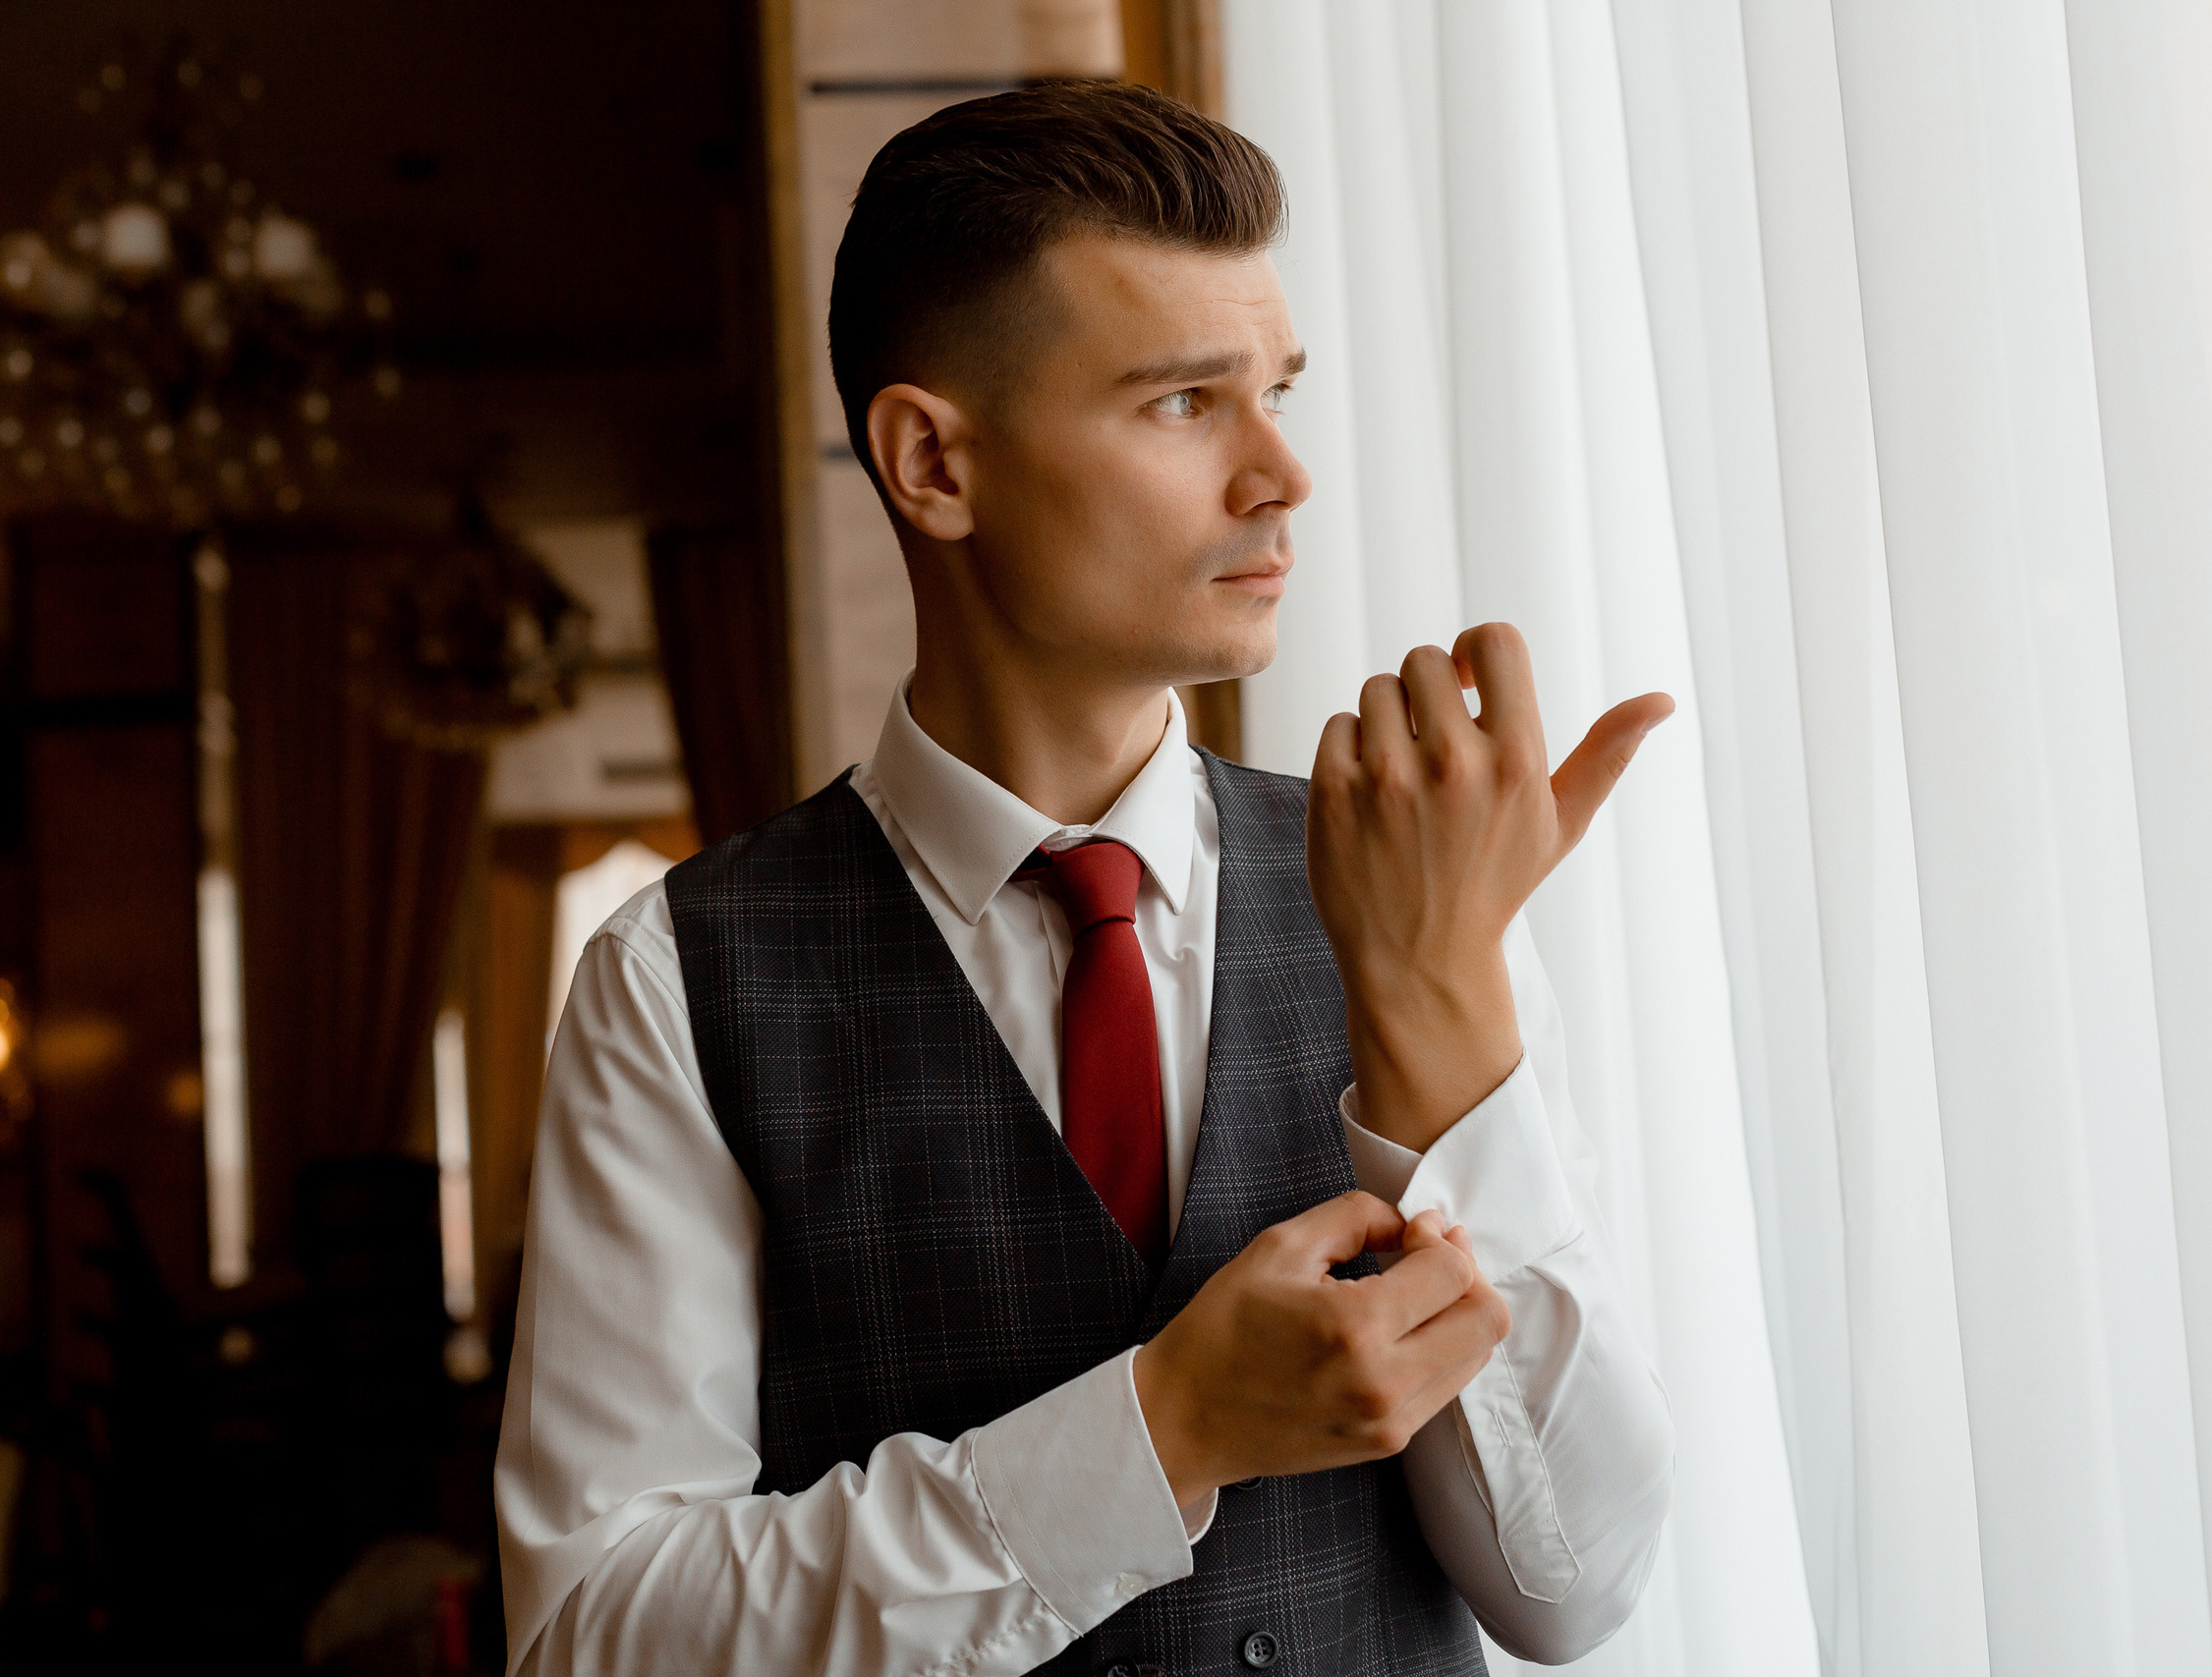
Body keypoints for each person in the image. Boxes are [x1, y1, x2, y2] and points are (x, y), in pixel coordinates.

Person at [497, 83, 1675, 1676]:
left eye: (1279, 393)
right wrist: (1164, 1428)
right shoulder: (672, 979)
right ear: (933, 462)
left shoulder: (1417, 894)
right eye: (1185, 402)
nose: (1281, 475)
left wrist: (1439, 1004)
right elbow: (593, 1634)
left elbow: (1573, 1590)